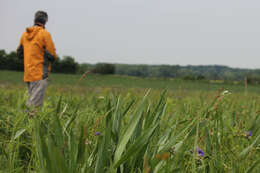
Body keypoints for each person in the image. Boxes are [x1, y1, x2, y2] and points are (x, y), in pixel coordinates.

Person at [17, 11, 56, 108]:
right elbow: (52, 55)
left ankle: (26, 121)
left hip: (28, 74)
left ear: (34, 19)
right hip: (40, 74)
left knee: (31, 101)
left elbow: (19, 53)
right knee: (35, 106)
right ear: (46, 21)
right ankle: (28, 122)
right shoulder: (45, 34)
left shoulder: (25, 34)